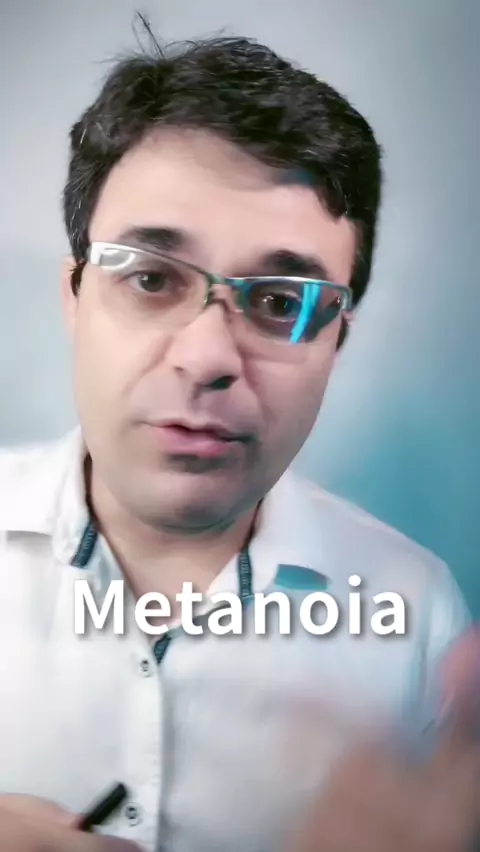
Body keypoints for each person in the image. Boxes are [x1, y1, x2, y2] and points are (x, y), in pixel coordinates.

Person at [0, 31, 478, 852]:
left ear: (336, 343)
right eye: (151, 277)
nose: (208, 356)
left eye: (281, 302)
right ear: (75, 297)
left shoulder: (421, 623)